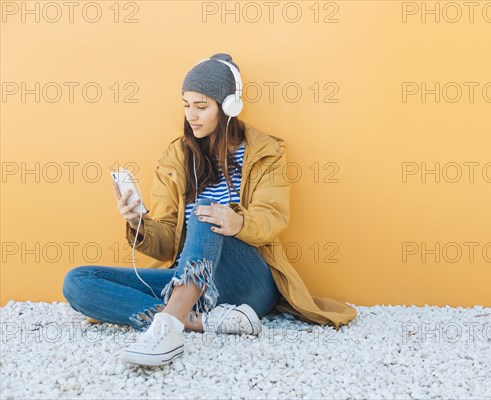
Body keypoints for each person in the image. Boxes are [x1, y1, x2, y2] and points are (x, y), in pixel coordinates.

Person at [62, 52, 358, 367]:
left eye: (201, 106)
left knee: (207, 210)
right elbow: (165, 244)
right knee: (79, 280)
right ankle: (200, 321)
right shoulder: (176, 157)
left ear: (228, 107)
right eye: (186, 105)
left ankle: (168, 330)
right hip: (186, 283)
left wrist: (238, 222)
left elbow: (273, 218)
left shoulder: (266, 153)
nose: (192, 115)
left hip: (248, 281)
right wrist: (139, 224)